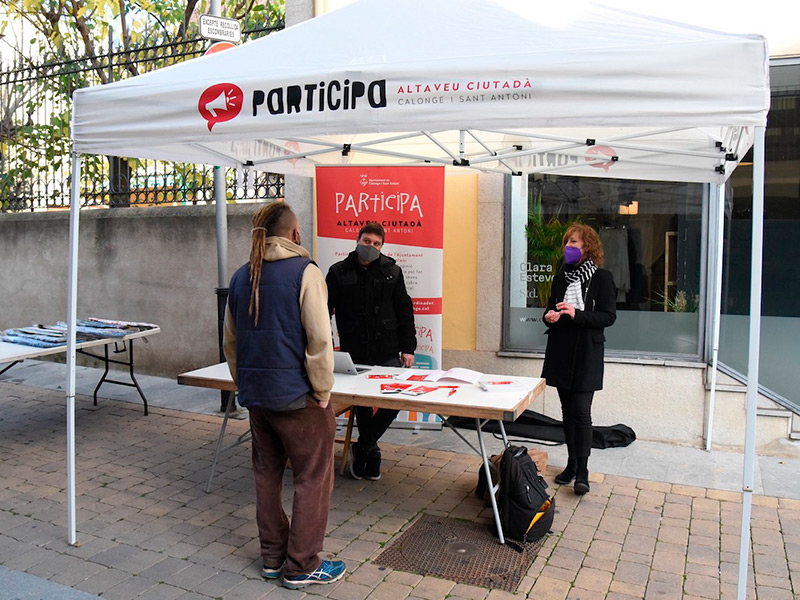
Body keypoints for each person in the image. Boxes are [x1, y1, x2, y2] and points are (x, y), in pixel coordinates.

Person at [223, 202, 345, 590]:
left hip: (257, 398)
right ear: (295, 234)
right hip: (299, 399)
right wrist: (323, 391)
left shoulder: (243, 276)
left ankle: (274, 558)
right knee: (313, 478)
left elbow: (230, 342)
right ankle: (303, 563)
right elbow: (320, 339)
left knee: (266, 475)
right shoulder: (305, 272)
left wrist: (243, 383)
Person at [326, 222, 416, 481]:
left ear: (382, 246)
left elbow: (404, 310)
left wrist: (408, 348)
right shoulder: (338, 272)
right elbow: (323, 311)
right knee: (362, 405)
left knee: (395, 401)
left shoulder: (392, 271)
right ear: (358, 240)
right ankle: (371, 453)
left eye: (376, 244)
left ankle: (363, 445)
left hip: (387, 349)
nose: (371, 247)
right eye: (367, 242)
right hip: (354, 351)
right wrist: (326, 346)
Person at [541, 224, 616, 496]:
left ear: (588, 247)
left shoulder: (602, 278)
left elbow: (608, 317)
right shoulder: (561, 277)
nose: (568, 248)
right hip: (561, 350)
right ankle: (571, 464)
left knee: (582, 413)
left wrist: (577, 314)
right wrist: (549, 315)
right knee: (567, 413)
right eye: (566, 242)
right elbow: (551, 307)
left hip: (586, 353)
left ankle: (582, 471)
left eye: (573, 242)